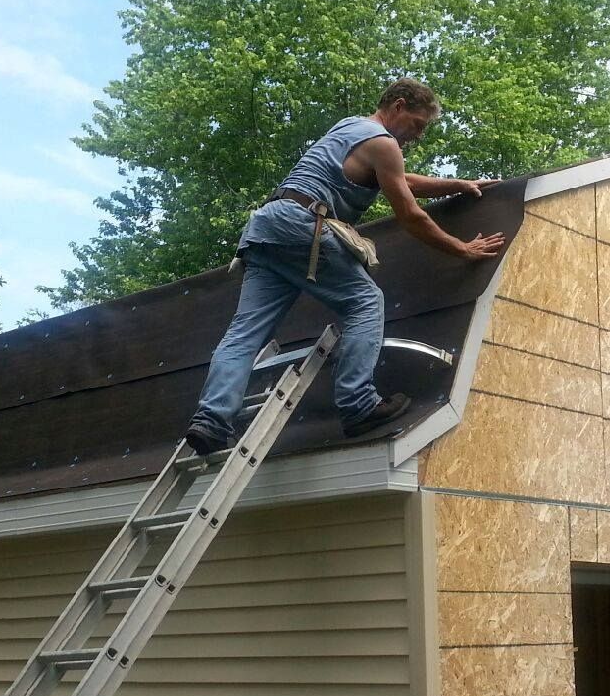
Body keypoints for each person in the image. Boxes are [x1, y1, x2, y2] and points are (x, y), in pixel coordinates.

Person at [184, 78, 504, 455]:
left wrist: (458, 184)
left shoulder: (350, 127)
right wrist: (462, 248)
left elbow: (399, 180)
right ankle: (358, 404)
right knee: (365, 302)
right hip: (304, 227)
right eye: (417, 125)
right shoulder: (384, 143)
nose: (416, 136)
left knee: (245, 333)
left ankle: (211, 419)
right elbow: (410, 216)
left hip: (267, 228)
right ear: (398, 106)